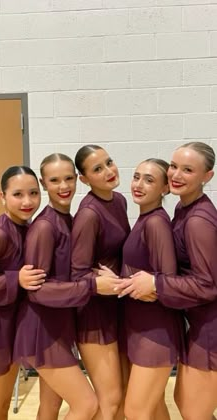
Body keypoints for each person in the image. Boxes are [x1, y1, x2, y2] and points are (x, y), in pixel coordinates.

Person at [117, 142, 217, 420]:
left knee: (192, 410)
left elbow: (208, 285)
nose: (176, 174)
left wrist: (157, 284)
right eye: (174, 166)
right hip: (198, 324)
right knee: (186, 403)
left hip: (211, 328)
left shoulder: (198, 220)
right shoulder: (184, 210)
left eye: (188, 170)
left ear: (207, 176)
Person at [14, 153, 99, 420]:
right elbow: (37, 290)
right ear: (43, 183)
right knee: (87, 405)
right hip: (42, 331)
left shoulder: (67, 219)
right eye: (54, 180)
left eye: (69, 178)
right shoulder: (45, 227)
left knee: (50, 406)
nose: (64, 186)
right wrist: (93, 286)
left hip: (58, 327)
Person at [116, 158, 184, 420]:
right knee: (154, 408)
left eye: (149, 180)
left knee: (135, 411)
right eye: (136, 177)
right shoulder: (144, 219)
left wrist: (126, 283)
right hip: (140, 326)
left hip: (155, 332)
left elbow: (165, 281)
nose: (139, 184)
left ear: (165, 188)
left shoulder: (156, 222)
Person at [71, 145, 131, 419]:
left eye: (109, 162)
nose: (109, 171)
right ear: (84, 179)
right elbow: (78, 274)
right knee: (109, 400)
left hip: (115, 307)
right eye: (97, 169)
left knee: (120, 398)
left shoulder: (119, 200)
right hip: (94, 314)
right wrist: (108, 283)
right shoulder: (89, 215)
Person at [0, 166, 43, 420]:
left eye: (33, 193)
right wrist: (15, 278)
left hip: (10, 328)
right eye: (18, 194)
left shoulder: (26, 228)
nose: (27, 201)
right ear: (2, 196)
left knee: (3, 404)